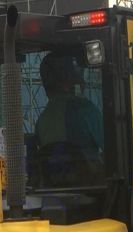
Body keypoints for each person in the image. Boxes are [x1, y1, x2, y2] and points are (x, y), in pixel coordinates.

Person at [34, 53, 104, 184]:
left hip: (52, 190)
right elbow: (112, 150)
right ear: (70, 78)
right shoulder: (86, 110)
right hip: (91, 189)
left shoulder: (42, 120)